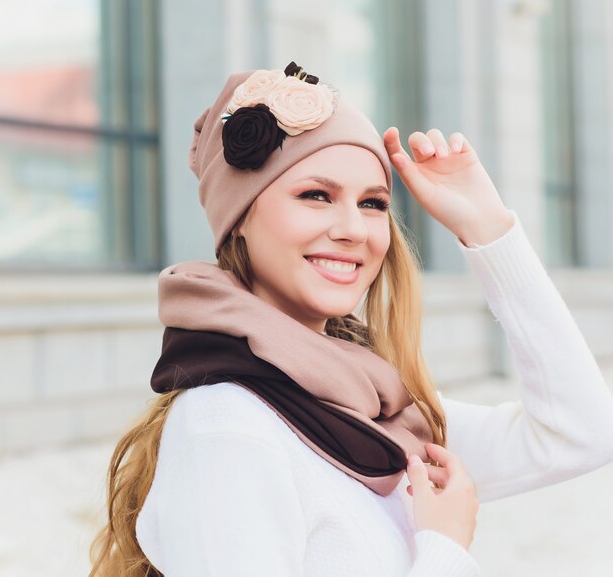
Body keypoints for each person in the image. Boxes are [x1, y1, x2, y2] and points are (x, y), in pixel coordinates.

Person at [89, 61, 613, 576]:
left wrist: (490, 232)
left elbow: (579, 433)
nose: (352, 229)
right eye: (315, 195)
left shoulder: (372, 409)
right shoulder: (228, 427)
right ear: (240, 217)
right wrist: (445, 551)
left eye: (372, 203)